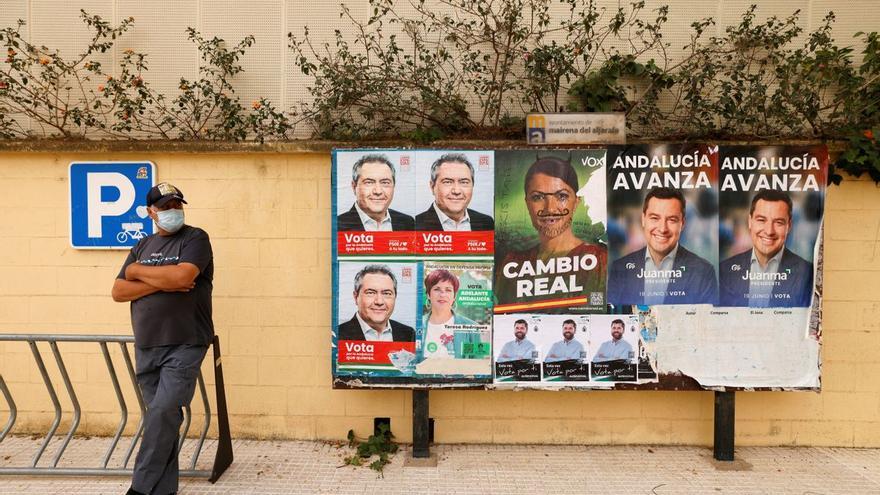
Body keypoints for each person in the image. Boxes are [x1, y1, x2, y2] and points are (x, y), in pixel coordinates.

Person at [111, 182, 213, 495]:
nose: (173, 212)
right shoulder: (142, 246)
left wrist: (139, 274)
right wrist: (160, 283)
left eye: (177, 206)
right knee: (162, 419)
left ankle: (140, 489)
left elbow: (183, 277)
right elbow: (118, 291)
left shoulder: (195, 238)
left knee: (164, 411)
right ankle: (165, 490)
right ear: (150, 212)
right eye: (166, 207)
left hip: (185, 341)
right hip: (147, 343)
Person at [494, 157, 607, 311]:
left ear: (576, 202)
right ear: (527, 203)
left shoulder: (600, 260)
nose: (551, 209)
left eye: (562, 196)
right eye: (538, 197)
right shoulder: (512, 263)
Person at [608, 187, 717, 305]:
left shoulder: (703, 272)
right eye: (654, 218)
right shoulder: (619, 269)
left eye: (671, 219)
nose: (662, 229)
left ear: (682, 224)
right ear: (643, 219)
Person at [719, 189, 813, 307]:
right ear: (750, 222)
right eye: (761, 220)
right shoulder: (724, 271)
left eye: (778, 222)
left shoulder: (807, 273)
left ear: (789, 226)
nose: (769, 231)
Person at [415, 153, 494, 231]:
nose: (456, 191)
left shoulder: (486, 223)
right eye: (448, 182)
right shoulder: (416, 224)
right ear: (432, 187)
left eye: (464, 182)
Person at [417, 269, 483, 361]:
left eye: (448, 290)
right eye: (437, 289)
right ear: (428, 294)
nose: (443, 294)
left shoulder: (471, 328)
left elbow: (478, 365)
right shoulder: (416, 326)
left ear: (454, 296)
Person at [337, 154, 415, 231]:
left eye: (385, 183)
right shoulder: (338, 225)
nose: (378, 191)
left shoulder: (408, 223)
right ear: (354, 187)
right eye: (369, 182)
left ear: (393, 186)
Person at [337, 264, 415, 341]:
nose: (379, 302)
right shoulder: (338, 335)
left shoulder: (409, 334)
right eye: (370, 293)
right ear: (356, 297)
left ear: (395, 297)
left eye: (386, 293)